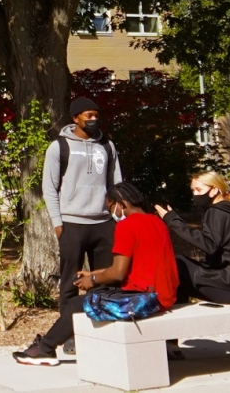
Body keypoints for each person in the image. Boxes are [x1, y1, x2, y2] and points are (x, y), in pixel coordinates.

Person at [14, 183, 179, 366]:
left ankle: (45, 349)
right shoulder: (156, 222)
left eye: (110, 207)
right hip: (165, 295)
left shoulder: (127, 226)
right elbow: (133, 264)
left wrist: (92, 280)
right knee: (101, 292)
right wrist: (94, 273)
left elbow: (117, 273)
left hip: (145, 302)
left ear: (121, 204)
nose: (111, 213)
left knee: (77, 303)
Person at [40, 96, 122, 355]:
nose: (93, 119)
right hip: (71, 224)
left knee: (106, 279)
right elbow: (49, 188)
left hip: (103, 223)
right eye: (88, 115)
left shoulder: (107, 145)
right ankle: (71, 336)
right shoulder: (59, 147)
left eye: (96, 114)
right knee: (70, 283)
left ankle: (106, 329)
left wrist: (118, 217)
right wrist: (57, 223)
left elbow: (116, 184)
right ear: (75, 118)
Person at [155, 171, 230, 304]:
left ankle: (177, 316)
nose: (195, 194)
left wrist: (174, 222)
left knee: (178, 264)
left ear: (214, 190)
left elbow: (209, 246)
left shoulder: (215, 211)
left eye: (199, 189)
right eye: (193, 190)